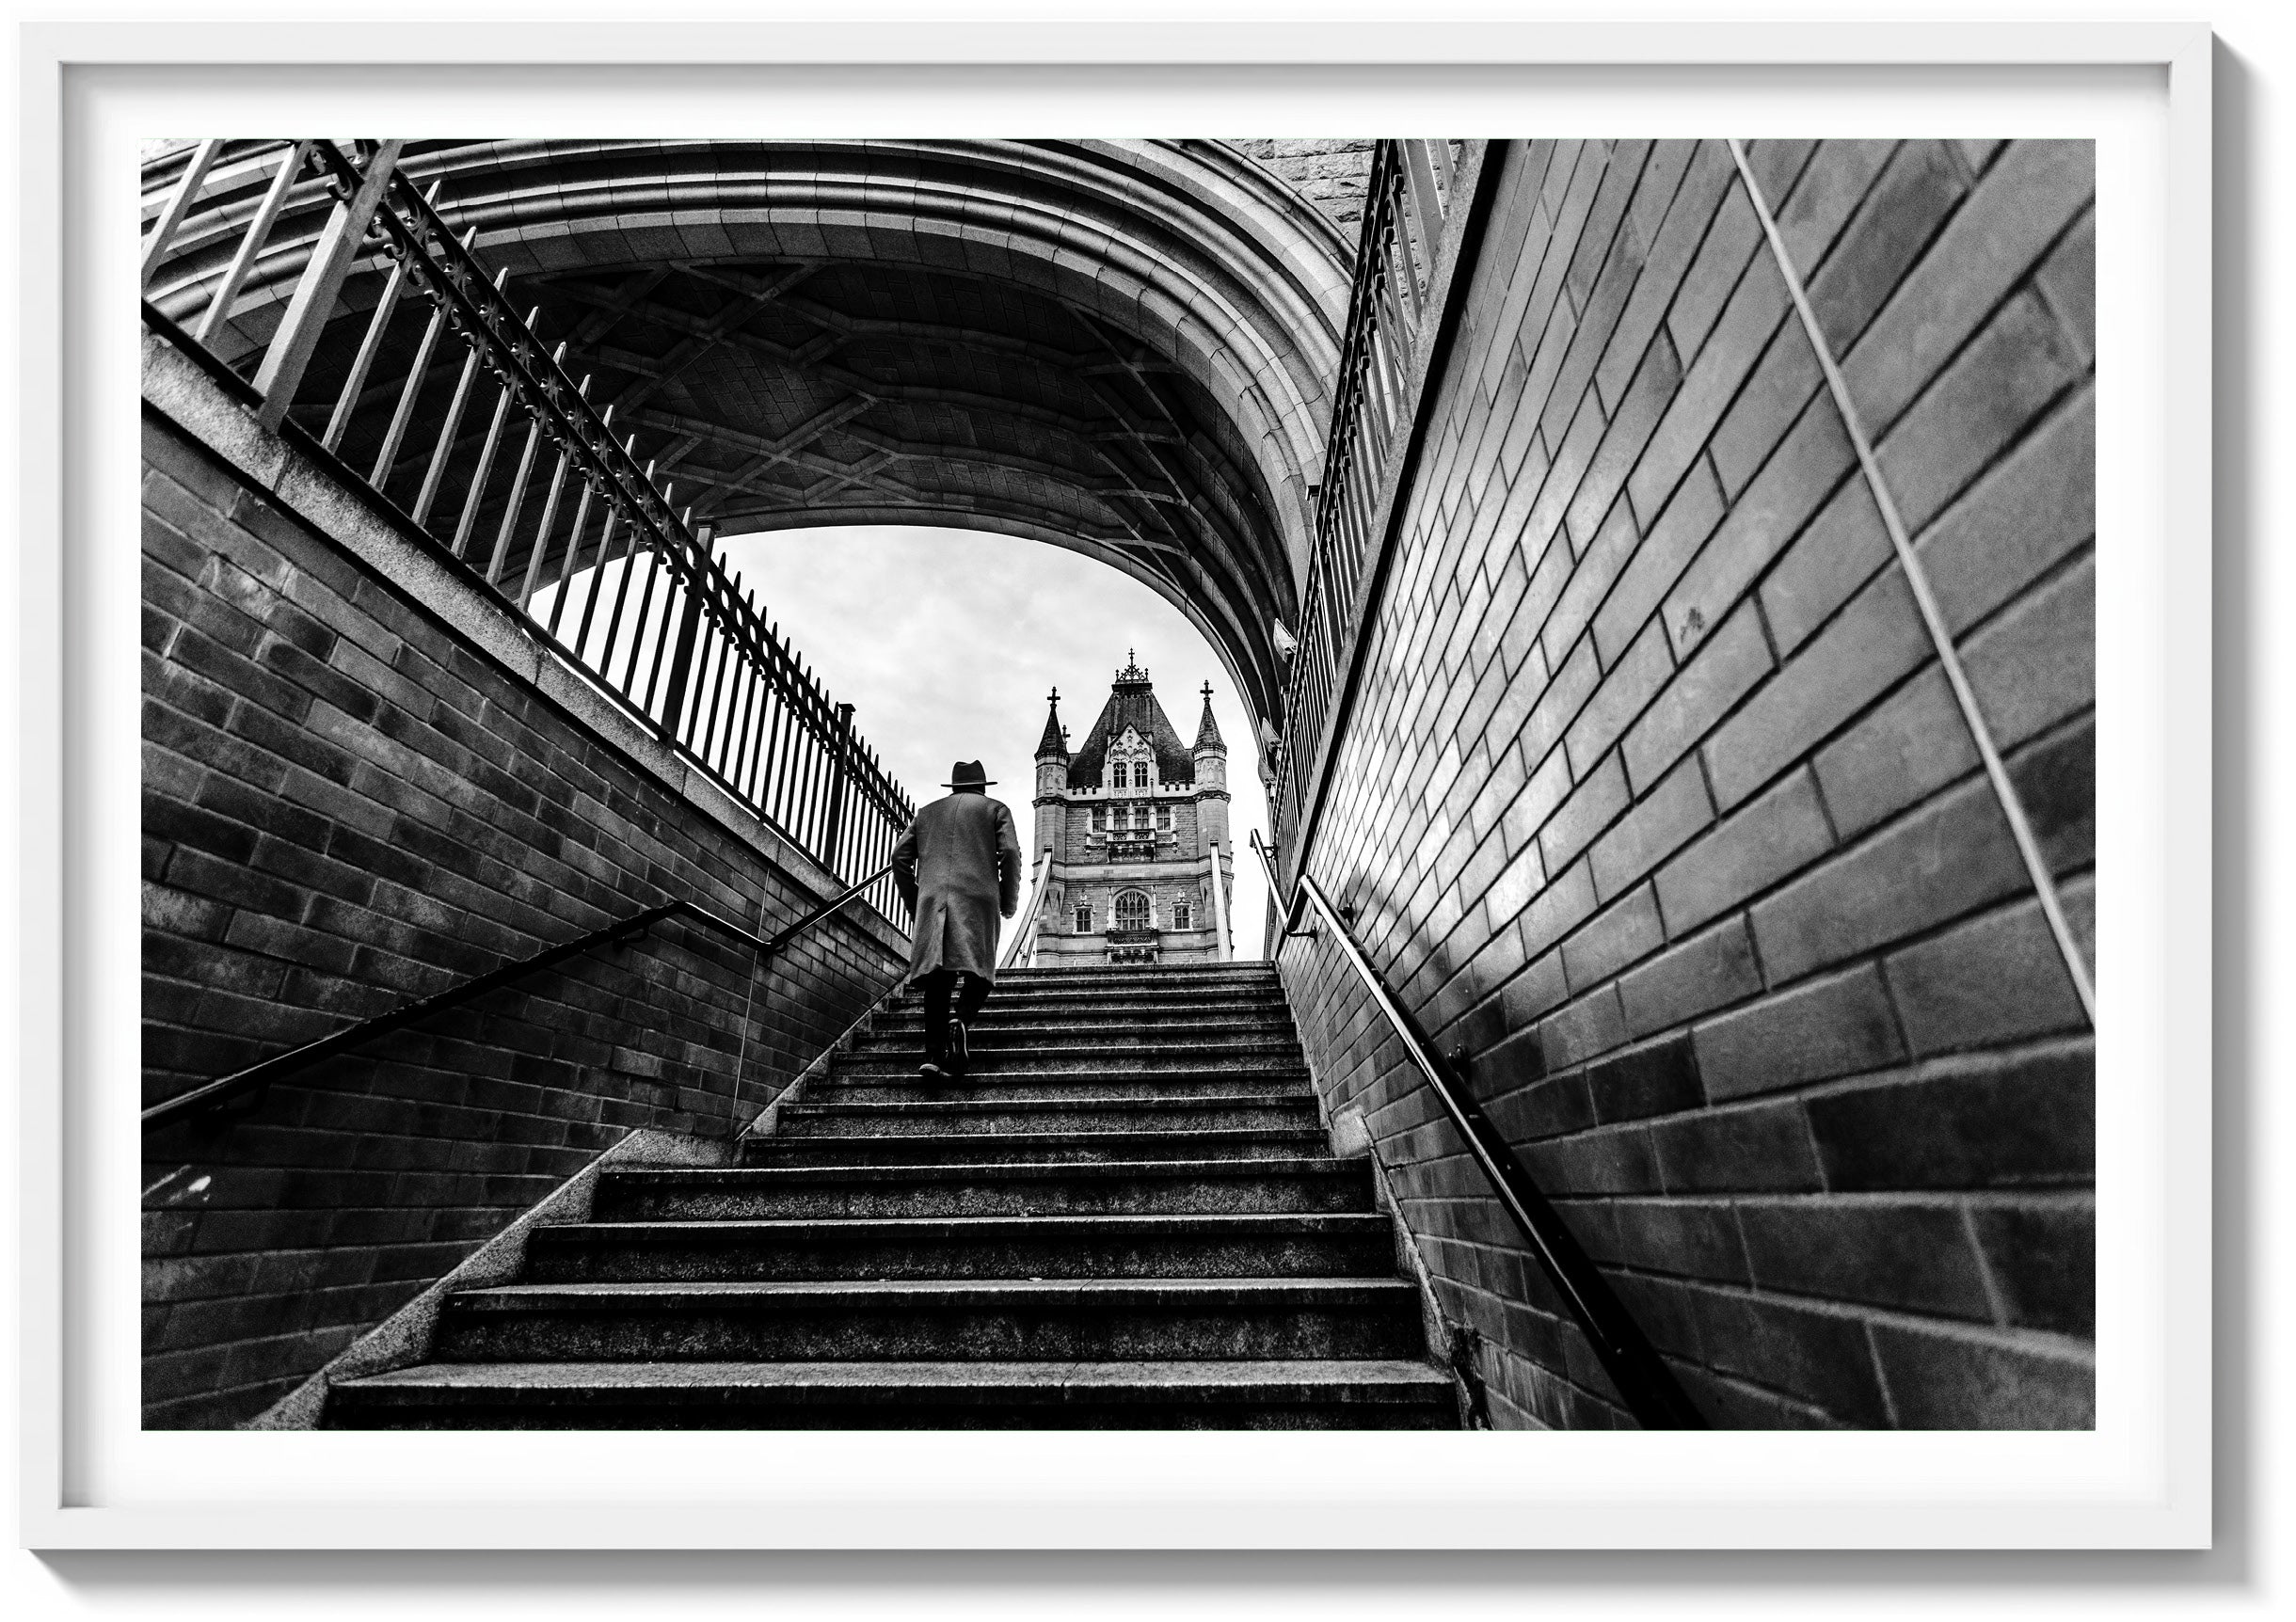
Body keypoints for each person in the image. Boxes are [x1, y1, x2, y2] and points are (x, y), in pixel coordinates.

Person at [890, 759, 1023, 1080]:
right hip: (979, 898)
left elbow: (899, 858)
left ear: (953, 787)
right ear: (981, 786)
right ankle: (960, 1020)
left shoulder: (926, 813)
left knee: (938, 977)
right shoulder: (995, 808)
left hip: (934, 900)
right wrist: (1007, 901)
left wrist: (916, 902)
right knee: (980, 968)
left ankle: (933, 1056)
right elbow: (1010, 854)